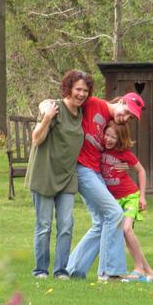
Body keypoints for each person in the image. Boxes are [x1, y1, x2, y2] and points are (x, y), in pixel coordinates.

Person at [64, 91, 146, 281]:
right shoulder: (94, 103)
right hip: (83, 169)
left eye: (130, 117)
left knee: (102, 223)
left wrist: (123, 166)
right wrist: (46, 105)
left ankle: (73, 270)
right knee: (115, 213)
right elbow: (68, 102)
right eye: (126, 112)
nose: (125, 118)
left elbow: (120, 155)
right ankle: (110, 272)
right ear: (122, 101)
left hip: (96, 172)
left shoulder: (112, 125)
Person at [24, 70, 94, 279]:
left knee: (66, 225)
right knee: (44, 226)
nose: (81, 94)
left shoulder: (83, 112)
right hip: (44, 174)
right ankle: (41, 270)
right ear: (69, 89)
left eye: (85, 90)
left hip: (67, 176)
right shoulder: (54, 107)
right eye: (78, 89)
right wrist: (46, 117)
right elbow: (36, 139)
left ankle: (61, 271)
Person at [101, 120, 153, 282]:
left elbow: (141, 171)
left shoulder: (125, 154)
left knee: (126, 230)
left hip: (130, 196)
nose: (109, 139)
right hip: (114, 200)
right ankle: (143, 270)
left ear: (120, 139)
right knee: (125, 236)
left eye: (113, 137)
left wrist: (142, 196)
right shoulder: (100, 150)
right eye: (107, 135)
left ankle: (144, 270)